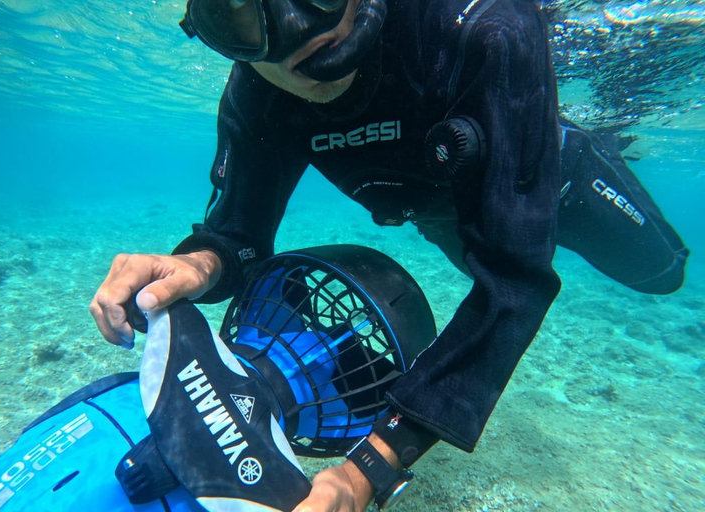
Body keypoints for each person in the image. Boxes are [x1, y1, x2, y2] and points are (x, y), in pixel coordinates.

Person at [91, 0, 689, 510]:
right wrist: (198, 264)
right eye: (241, 15)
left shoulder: (484, 28)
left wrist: (372, 466)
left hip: (552, 180)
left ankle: (601, 130)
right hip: (439, 210)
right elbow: (236, 232)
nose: (300, 32)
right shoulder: (258, 91)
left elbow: (515, 283)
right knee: (479, 254)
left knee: (662, 272)